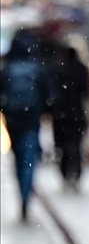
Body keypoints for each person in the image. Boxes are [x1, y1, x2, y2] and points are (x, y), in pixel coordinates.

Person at [0, 30, 54, 221]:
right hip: (31, 119)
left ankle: (22, 191)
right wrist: (45, 111)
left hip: (13, 119)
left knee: (19, 156)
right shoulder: (37, 68)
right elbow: (48, 95)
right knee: (29, 157)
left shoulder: (7, 69)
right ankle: (26, 194)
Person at [50, 45, 89, 192]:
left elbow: (53, 91)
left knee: (62, 146)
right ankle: (76, 174)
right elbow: (86, 90)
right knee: (76, 145)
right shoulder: (82, 69)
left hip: (60, 114)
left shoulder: (58, 69)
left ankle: (65, 174)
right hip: (77, 113)